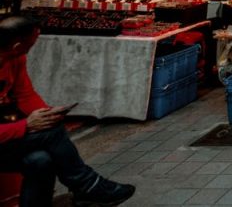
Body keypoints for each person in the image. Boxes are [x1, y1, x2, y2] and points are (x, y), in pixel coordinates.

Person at [0, 16, 135, 207]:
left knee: (40, 159)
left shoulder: (14, 58)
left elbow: (25, 94)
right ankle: (87, 185)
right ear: (16, 46)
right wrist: (26, 125)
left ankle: (85, 188)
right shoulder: (12, 57)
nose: (31, 49)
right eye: (30, 45)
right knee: (51, 134)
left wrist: (47, 114)